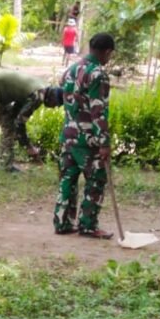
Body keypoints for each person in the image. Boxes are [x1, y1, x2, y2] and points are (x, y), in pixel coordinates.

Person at [54, 32, 116, 238]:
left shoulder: (70, 70)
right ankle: (88, 225)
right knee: (96, 180)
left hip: (68, 136)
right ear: (107, 52)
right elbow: (99, 111)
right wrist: (104, 142)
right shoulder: (98, 74)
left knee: (68, 179)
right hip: (87, 140)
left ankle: (62, 222)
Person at [0, 70, 44, 172]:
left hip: (1, 94)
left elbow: (16, 115)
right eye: (55, 103)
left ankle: (6, 165)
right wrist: (28, 146)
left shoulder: (41, 90)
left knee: (10, 127)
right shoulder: (38, 96)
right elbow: (20, 124)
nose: (54, 106)